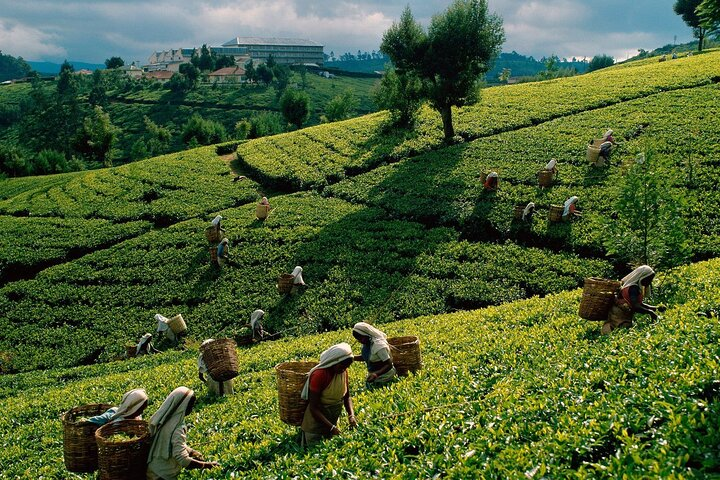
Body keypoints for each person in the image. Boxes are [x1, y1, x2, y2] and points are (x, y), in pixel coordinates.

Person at [147, 387, 220, 479]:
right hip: (163, 475)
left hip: (153, 470)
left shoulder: (162, 420)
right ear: (182, 405)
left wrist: (191, 451)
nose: (192, 409)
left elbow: (169, 445)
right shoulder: (177, 428)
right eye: (190, 405)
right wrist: (206, 465)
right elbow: (182, 459)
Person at [300, 343, 357, 447]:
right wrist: (331, 427)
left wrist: (351, 415)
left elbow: (347, 396)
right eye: (342, 366)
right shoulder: (320, 375)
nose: (344, 369)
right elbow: (313, 407)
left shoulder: (343, 372)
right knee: (314, 450)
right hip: (315, 424)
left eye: (346, 367)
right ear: (333, 362)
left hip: (332, 418)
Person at [602, 265, 659, 334]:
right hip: (619, 316)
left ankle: (609, 329)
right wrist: (651, 312)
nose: (650, 282)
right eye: (649, 279)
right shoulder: (633, 288)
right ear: (643, 277)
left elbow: (639, 304)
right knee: (624, 331)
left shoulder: (634, 287)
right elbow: (636, 306)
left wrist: (655, 308)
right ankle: (610, 330)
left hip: (619, 315)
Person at [352, 322, 396, 388]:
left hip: (385, 376)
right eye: (358, 339)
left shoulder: (379, 346)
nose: (359, 341)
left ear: (366, 335)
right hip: (373, 376)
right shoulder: (366, 344)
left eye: (360, 338)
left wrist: (376, 374)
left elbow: (388, 364)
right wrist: (351, 357)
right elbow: (366, 357)